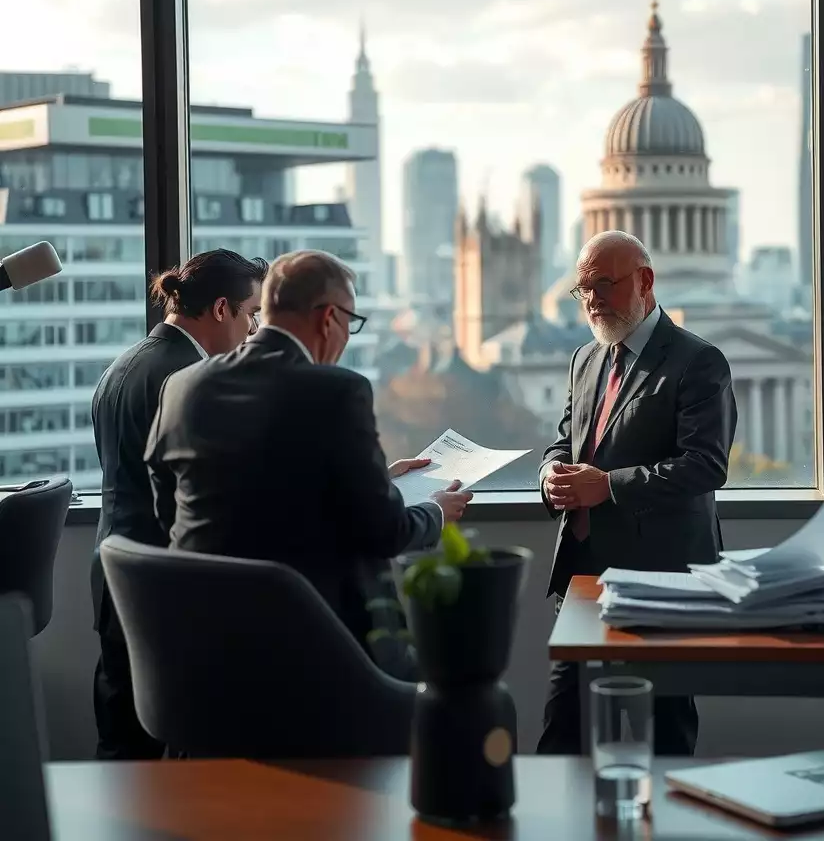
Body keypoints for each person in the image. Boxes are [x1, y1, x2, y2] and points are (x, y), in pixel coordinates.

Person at [144, 249, 472, 681]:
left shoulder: (184, 385)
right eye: (352, 323)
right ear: (329, 319)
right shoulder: (336, 391)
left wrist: (375, 478)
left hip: (203, 647)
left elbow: (174, 506)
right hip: (314, 652)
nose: (348, 336)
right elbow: (383, 532)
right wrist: (434, 511)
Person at [537, 231, 737, 756]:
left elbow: (705, 466)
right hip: (582, 576)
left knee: (662, 738)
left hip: (660, 580)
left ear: (645, 281)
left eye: (603, 283)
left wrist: (606, 487)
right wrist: (551, 475)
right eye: (582, 288)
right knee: (563, 732)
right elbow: (565, 440)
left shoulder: (699, 361)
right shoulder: (585, 358)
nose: (591, 299)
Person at [91, 248, 269, 760]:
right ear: (220, 309)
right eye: (250, 314)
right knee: (175, 743)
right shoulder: (189, 381)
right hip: (163, 583)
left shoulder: (121, 366)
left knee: (123, 741)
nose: (254, 330)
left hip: (114, 571)